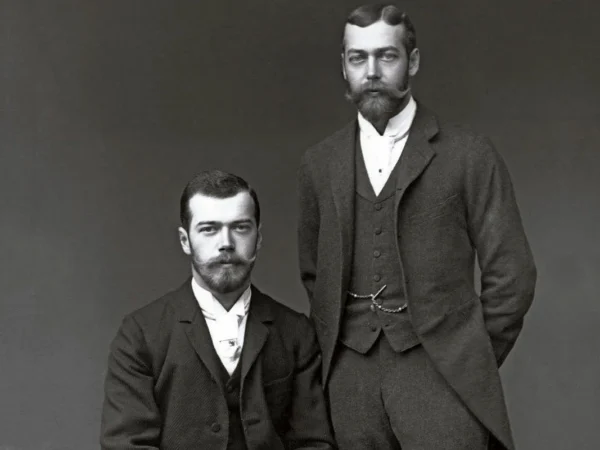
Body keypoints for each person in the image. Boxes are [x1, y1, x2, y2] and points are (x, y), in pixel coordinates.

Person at [297, 4, 537, 450]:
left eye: (386, 56)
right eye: (358, 58)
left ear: (413, 61)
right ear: (344, 66)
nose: (371, 72)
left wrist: (468, 357)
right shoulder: (319, 164)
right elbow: (314, 274)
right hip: (347, 387)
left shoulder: (469, 155)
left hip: (443, 380)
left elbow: (513, 276)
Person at [101, 170, 335, 450]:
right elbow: (126, 445)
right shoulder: (140, 334)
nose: (226, 243)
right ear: (185, 240)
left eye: (240, 227)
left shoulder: (295, 333)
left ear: (258, 238)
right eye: (209, 229)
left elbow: (314, 444)